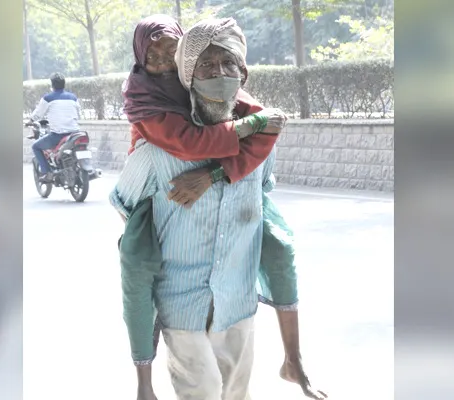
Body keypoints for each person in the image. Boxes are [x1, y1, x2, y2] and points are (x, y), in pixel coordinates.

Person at [113, 16, 327, 400]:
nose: (219, 74)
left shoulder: (258, 135)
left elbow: (260, 190)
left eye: (229, 64)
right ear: (188, 75)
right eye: (207, 65)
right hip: (182, 301)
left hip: (238, 298)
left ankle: (292, 360)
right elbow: (125, 203)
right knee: (203, 391)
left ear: (244, 73)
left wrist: (211, 177)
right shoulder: (155, 145)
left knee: (236, 393)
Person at [29, 72, 81, 182]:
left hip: (58, 135)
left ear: (52, 85)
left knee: (35, 147)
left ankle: (47, 172)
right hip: (75, 134)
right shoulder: (73, 98)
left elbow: (38, 113)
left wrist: (30, 120)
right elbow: (78, 114)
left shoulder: (48, 98)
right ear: (64, 84)